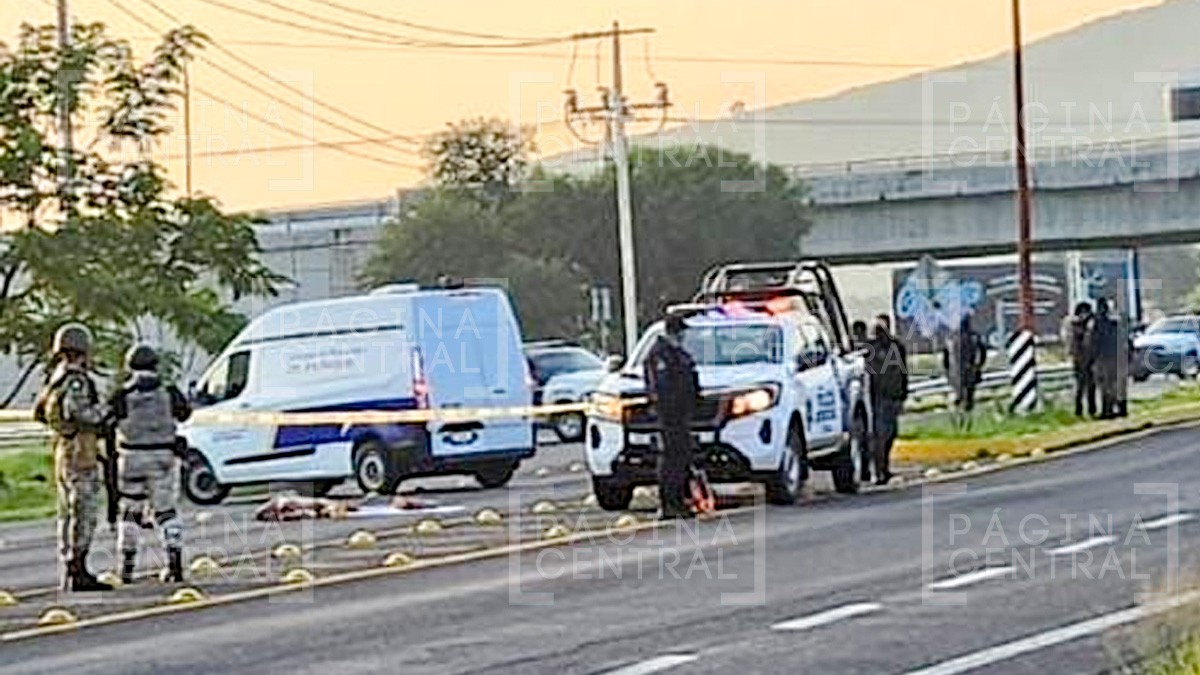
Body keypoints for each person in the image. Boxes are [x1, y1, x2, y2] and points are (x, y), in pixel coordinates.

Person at [33, 323, 112, 592]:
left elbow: (40, 412)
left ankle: (70, 566)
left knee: (67, 512)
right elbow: (80, 411)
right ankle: (78, 569)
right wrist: (105, 412)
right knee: (85, 511)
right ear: (83, 350)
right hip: (80, 451)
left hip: (63, 449)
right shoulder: (77, 380)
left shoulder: (55, 378)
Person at [109, 345, 192, 584]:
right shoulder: (169, 391)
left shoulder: (122, 394)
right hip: (162, 457)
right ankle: (174, 564)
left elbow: (108, 419)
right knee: (166, 511)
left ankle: (126, 568)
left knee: (131, 512)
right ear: (156, 364)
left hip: (131, 458)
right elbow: (185, 413)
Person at [643, 314, 700, 519]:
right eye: (680, 331)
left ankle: (682, 501)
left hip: (683, 415)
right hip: (669, 416)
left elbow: (690, 381)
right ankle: (670, 503)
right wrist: (668, 407)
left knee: (683, 458)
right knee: (671, 460)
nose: (683, 335)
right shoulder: (660, 355)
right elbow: (662, 386)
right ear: (671, 332)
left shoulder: (679, 354)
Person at [867, 315, 908, 485]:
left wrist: (903, 392)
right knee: (880, 435)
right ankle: (879, 471)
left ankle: (884, 468)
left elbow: (903, 371)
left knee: (891, 434)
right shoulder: (869, 349)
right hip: (878, 397)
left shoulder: (896, 347)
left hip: (893, 395)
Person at [942, 314, 987, 414]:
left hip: (957, 370)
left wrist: (947, 370)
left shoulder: (951, 337)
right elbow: (983, 352)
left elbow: (945, 356)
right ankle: (967, 409)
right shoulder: (974, 336)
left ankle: (961, 407)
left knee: (960, 390)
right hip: (970, 369)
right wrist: (979, 366)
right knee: (969, 392)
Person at [1065, 302, 1097, 418]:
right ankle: (1080, 410)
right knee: (1082, 385)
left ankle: (1090, 409)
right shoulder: (1075, 325)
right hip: (1080, 358)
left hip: (1086, 358)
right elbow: (1080, 341)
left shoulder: (1077, 324)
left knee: (1090, 386)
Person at [1091, 298, 1120, 419]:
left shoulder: (1095, 325)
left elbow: (1092, 343)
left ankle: (1106, 410)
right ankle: (1114, 407)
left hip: (1101, 357)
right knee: (1111, 384)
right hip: (1113, 357)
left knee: (1104, 385)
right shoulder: (1114, 324)